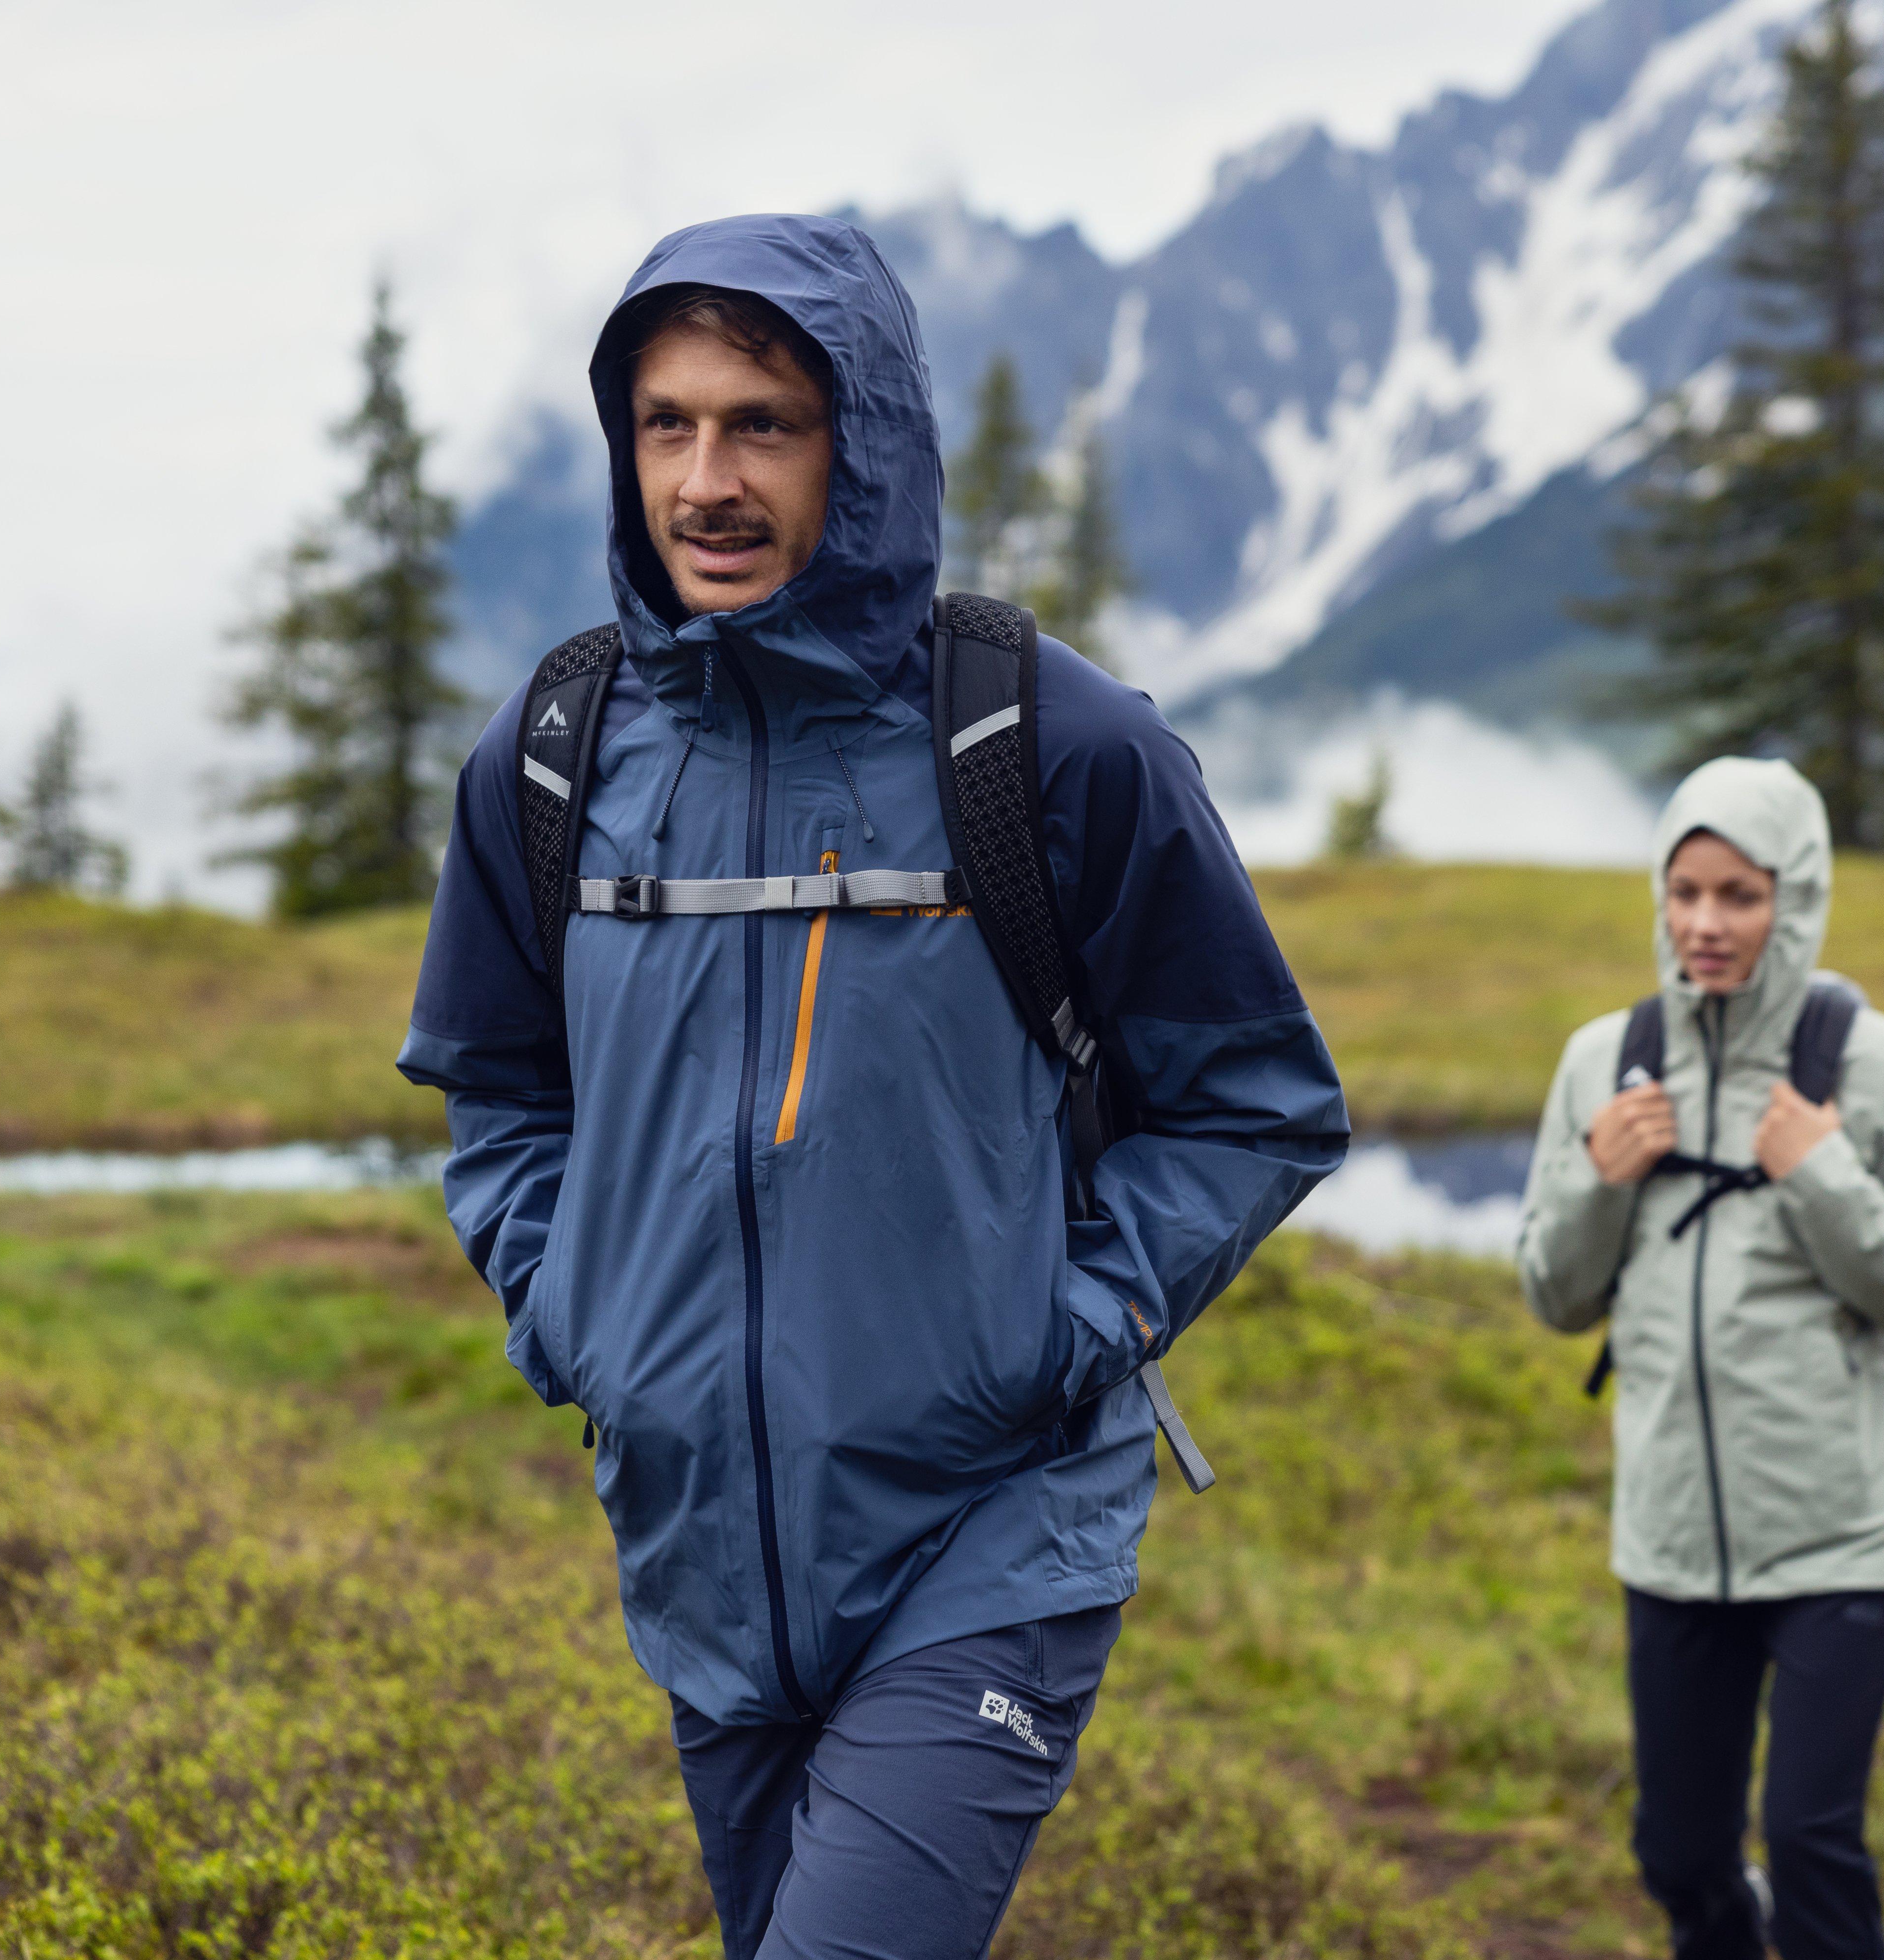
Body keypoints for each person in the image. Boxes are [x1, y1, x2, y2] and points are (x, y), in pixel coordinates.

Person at [397, 215, 1347, 1959]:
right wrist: (571, 1309)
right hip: (705, 1555)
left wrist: (1062, 1326)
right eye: (667, 424)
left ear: (871, 444)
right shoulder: (550, 759)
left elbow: (1256, 1101)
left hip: (992, 1526)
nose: (708, 479)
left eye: (764, 422)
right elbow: (496, 1090)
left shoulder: (1052, 747)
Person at [1515, 757, 1884, 1960]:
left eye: (1740, 894)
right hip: (1673, 1534)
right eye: (1684, 892)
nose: (1705, 926)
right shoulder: (1602, 1059)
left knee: (1813, 1835)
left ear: (1800, 898)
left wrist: (1824, 1173)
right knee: (1678, 1854)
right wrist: (1596, 1178)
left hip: (1847, 1528)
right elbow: (1554, 1295)